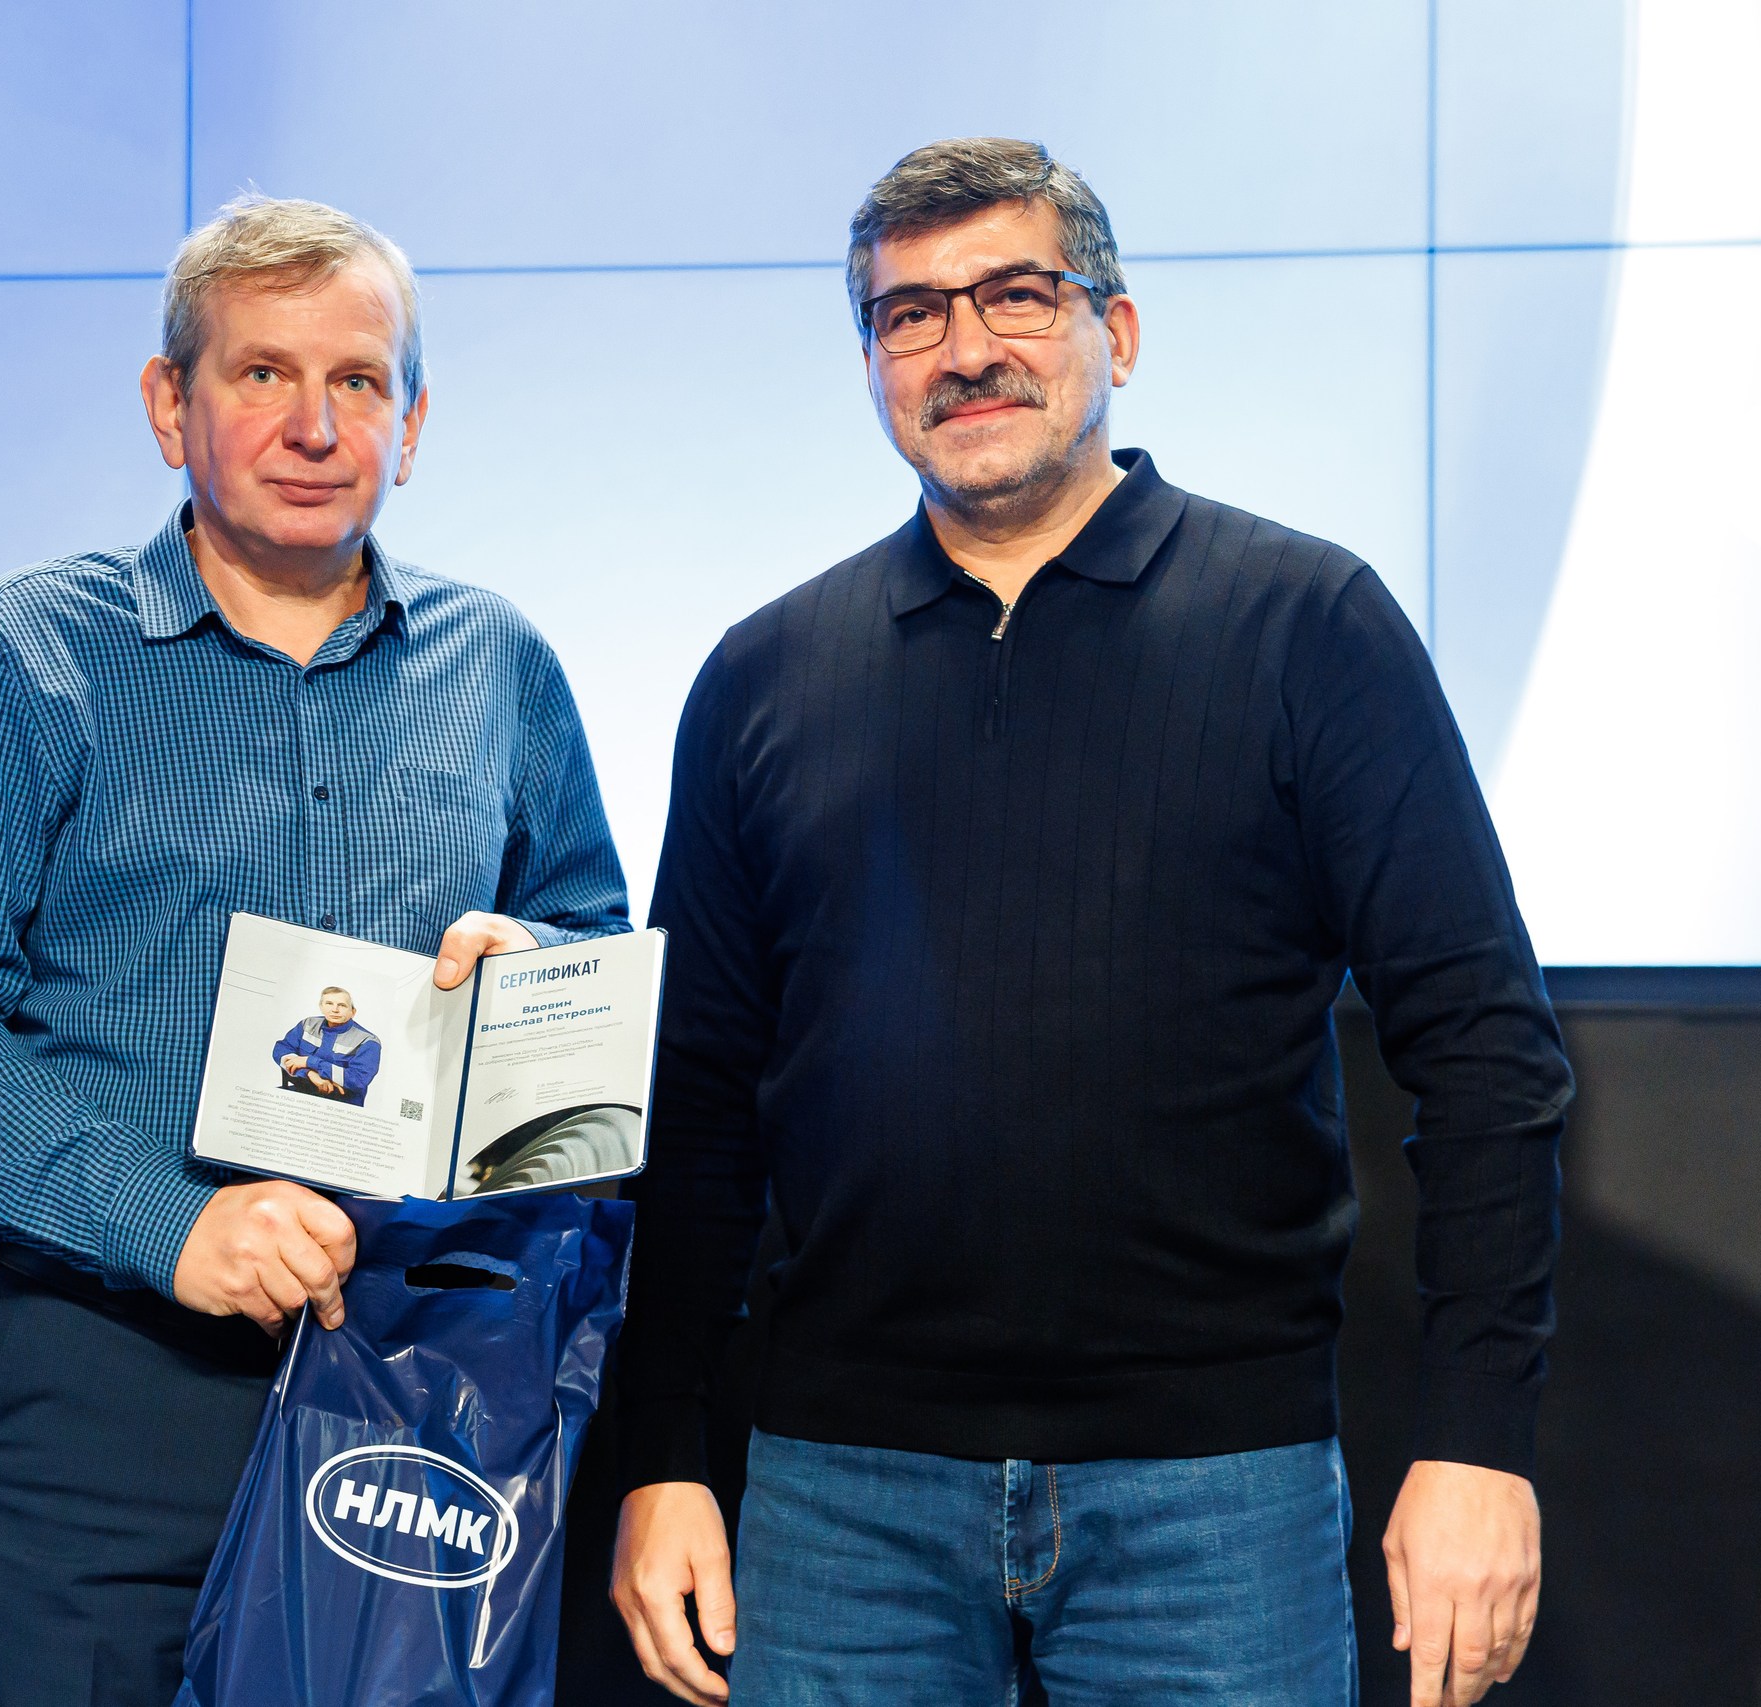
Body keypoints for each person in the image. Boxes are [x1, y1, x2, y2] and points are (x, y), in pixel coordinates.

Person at [611, 138, 1570, 1707]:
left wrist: (1478, 1435)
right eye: (911, 313)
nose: (964, 347)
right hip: (840, 1494)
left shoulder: (1309, 624)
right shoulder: (763, 675)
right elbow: (698, 1095)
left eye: (1015, 294)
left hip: (1215, 1491)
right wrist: (662, 1448)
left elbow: (1484, 1052)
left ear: (1113, 330)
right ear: (872, 363)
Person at [0, 192, 626, 1706]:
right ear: (167, 402)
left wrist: (528, 972)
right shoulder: (30, 656)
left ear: (411, 421)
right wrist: (170, 1225)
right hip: (111, 1398)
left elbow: (588, 960)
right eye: (263, 373)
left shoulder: (500, 664)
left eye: (358, 381)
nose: (315, 425)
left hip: (421, 1392)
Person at [275, 985, 381, 1104]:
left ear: (353, 1012)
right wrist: (309, 1073)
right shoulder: (308, 1024)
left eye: (342, 1005)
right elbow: (281, 1049)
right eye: (329, 1003)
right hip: (301, 1093)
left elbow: (358, 1080)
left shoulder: (367, 1041)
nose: (335, 1010)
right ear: (321, 1007)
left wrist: (309, 1061)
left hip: (340, 1103)